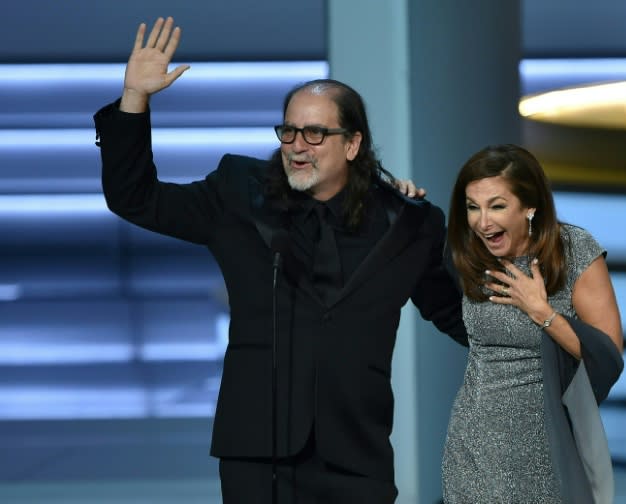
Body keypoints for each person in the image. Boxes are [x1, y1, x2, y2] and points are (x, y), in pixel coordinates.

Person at [93, 17, 467, 504]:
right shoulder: (237, 194)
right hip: (257, 453)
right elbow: (135, 199)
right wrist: (134, 100)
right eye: (288, 131)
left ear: (351, 144)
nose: (296, 147)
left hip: (357, 454)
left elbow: (453, 312)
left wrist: (542, 334)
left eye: (315, 135)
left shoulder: (408, 222)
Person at [440, 144, 624, 503]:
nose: (482, 222)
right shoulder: (468, 254)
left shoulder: (572, 250)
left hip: (547, 447)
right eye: (473, 207)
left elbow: (609, 355)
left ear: (529, 207)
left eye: (497, 206)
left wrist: (542, 313)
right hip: (473, 447)